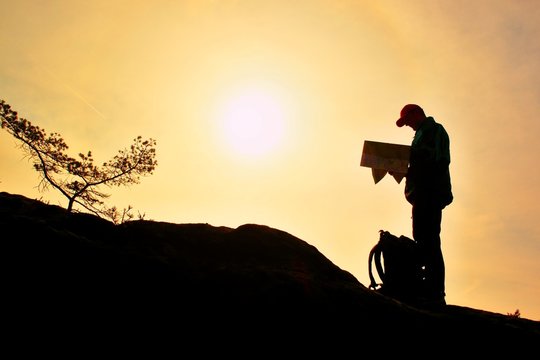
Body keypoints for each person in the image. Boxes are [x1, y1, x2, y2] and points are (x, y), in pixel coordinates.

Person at [395, 104, 453, 306]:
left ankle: (436, 292)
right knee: (422, 239)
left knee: (430, 241)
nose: (408, 126)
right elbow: (420, 164)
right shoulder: (419, 135)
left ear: (416, 114)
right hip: (420, 195)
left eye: (408, 120)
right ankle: (427, 287)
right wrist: (403, 170)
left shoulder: (435, 130)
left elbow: (439, 160)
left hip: (431, 193)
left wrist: (409, 166)